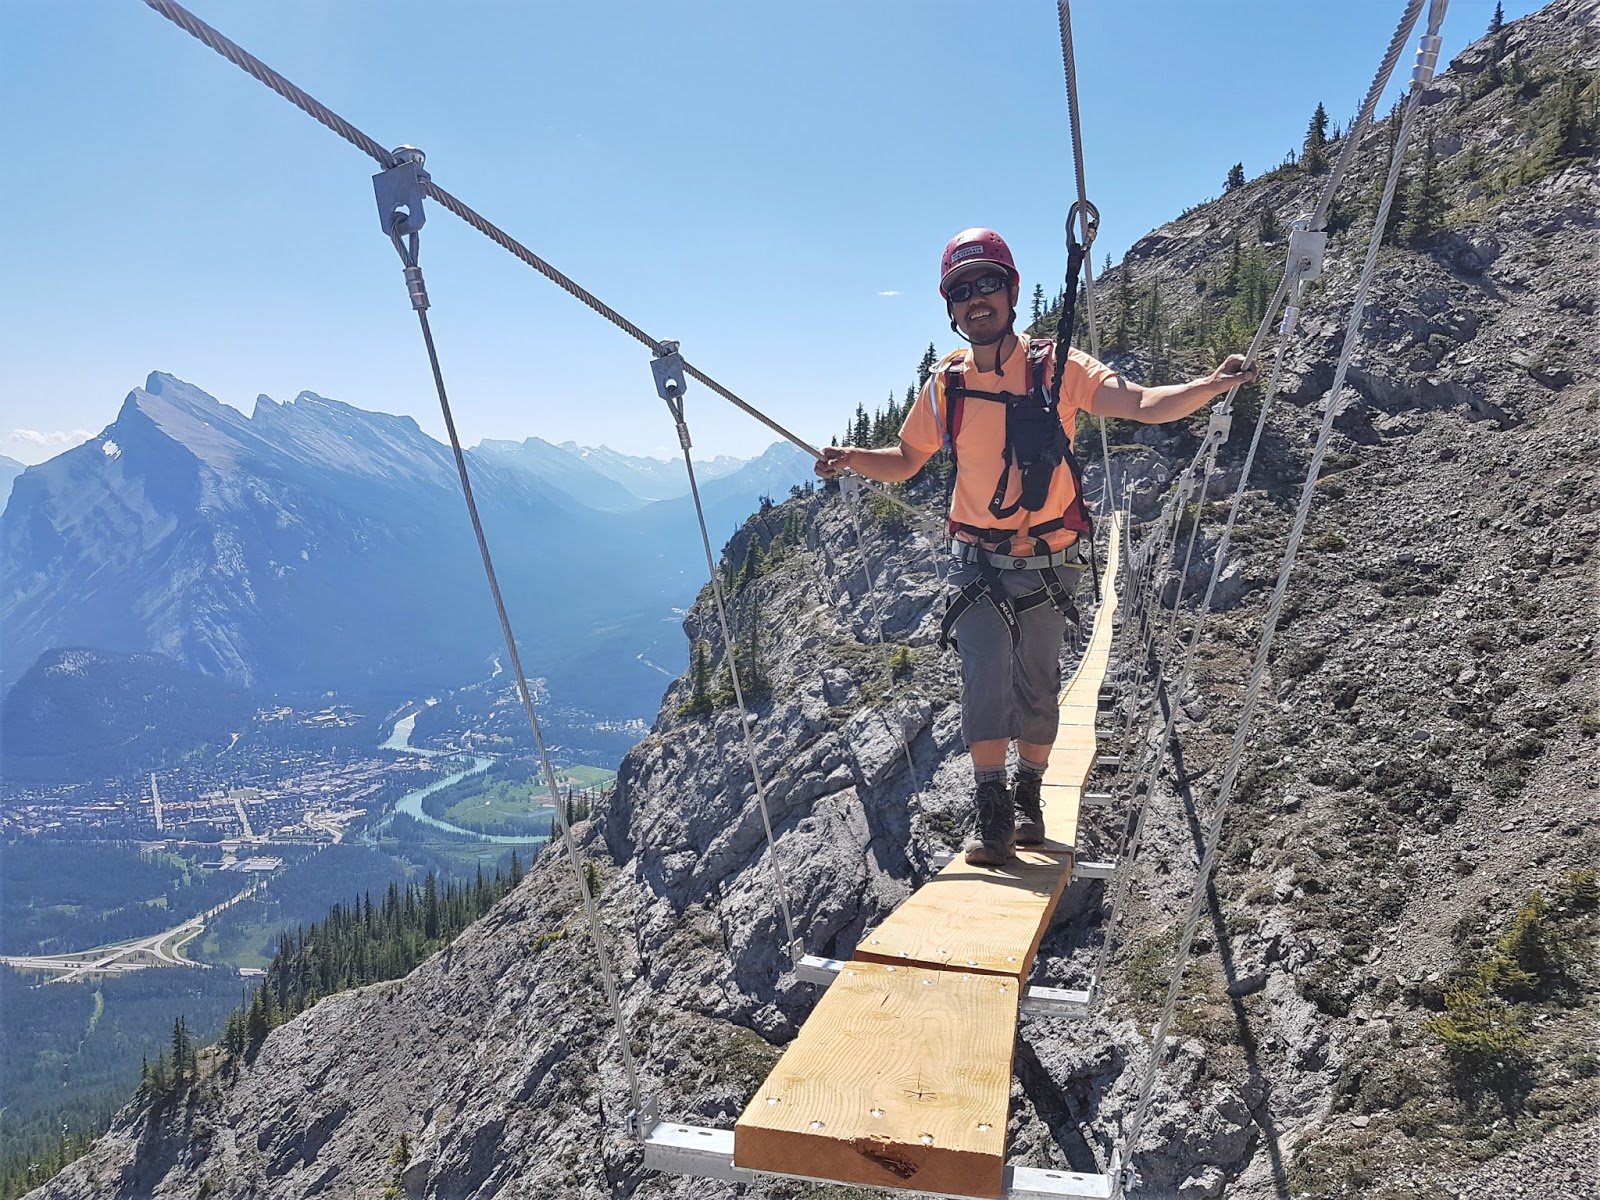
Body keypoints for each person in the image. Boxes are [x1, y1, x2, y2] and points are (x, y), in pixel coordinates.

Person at [816, 227, 1256, 866]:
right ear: (951, 307)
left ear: (1011, 290)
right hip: (979, 564)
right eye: (962, 292)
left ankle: (1028, 796)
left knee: (1040, 686)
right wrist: (854, 457)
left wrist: (1209, 387)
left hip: (1050, 562)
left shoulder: (1058, 368)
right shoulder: (948, 386)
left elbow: (1137, 403)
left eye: (987, 284)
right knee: (984, 679)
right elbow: (909, 459)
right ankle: (993, 809)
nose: (977, 301)